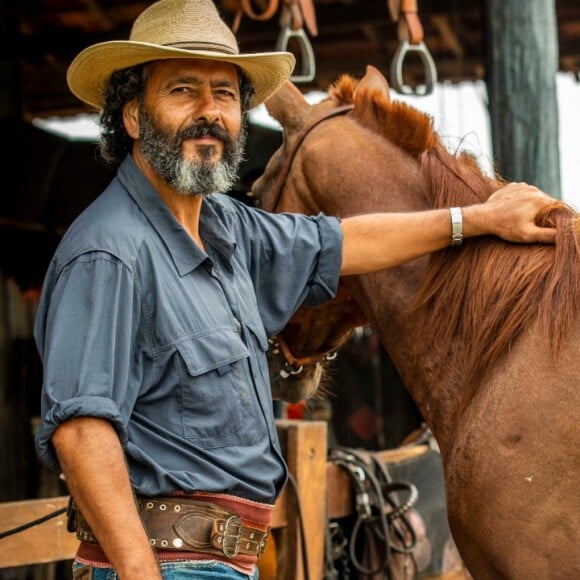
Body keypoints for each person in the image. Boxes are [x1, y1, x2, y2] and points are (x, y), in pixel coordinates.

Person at [33, 0, 558, 579]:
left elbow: (344, 241)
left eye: (226, 95)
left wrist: (477, 220)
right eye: (183, 91)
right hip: (164, 563)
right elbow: (83, 432)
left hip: (228, 561)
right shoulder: (108, 251)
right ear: (133, 116)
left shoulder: (226, 227)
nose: (210, 113)